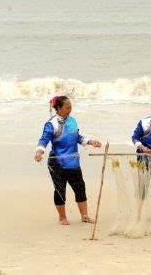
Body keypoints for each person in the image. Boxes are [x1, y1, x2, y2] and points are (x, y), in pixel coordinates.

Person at [34, 96, 102, 225]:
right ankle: (62, 217)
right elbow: (44, 139)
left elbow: (77, 137)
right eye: (67, 107)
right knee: (60, 190)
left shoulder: (72, 121)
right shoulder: (51, 124)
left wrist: (91, 142)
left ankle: (85, 216)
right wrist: (39, 151)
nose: (70, 110)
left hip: (73, 161)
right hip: (57, 163)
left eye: (71, 107)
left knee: (80, 188)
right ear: (58, 108)